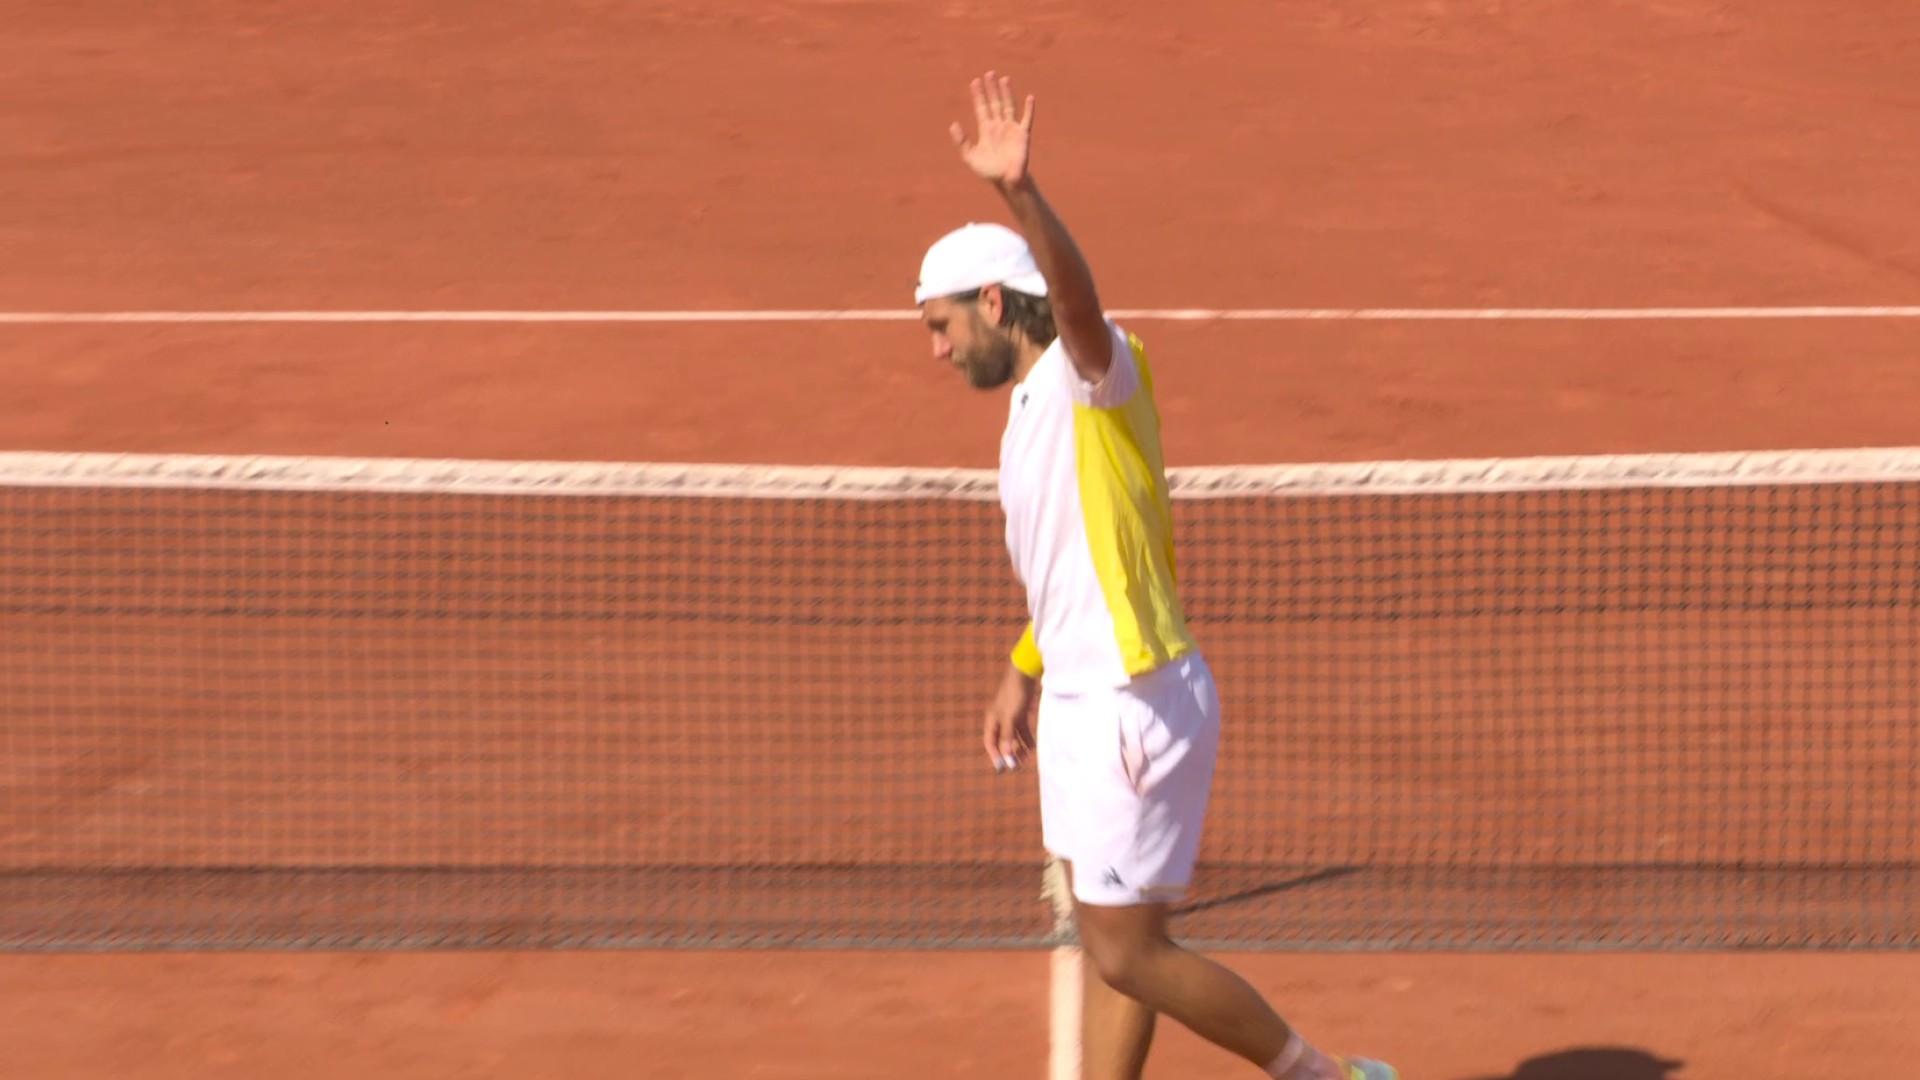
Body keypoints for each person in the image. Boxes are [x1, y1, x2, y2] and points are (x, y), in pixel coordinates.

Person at [914, 72, 1398, 1080]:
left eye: (941, 323)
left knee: (1123, 950)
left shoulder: (1096, 373)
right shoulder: (1033, 414)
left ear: (994, 303)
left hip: (1130, 704)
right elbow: (1077, 561)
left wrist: (1021, 195)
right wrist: (1025, 665)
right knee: (1119, 943)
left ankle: (1329, 1078)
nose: (937, 346)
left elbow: (1080, 306)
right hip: (1099, 693)